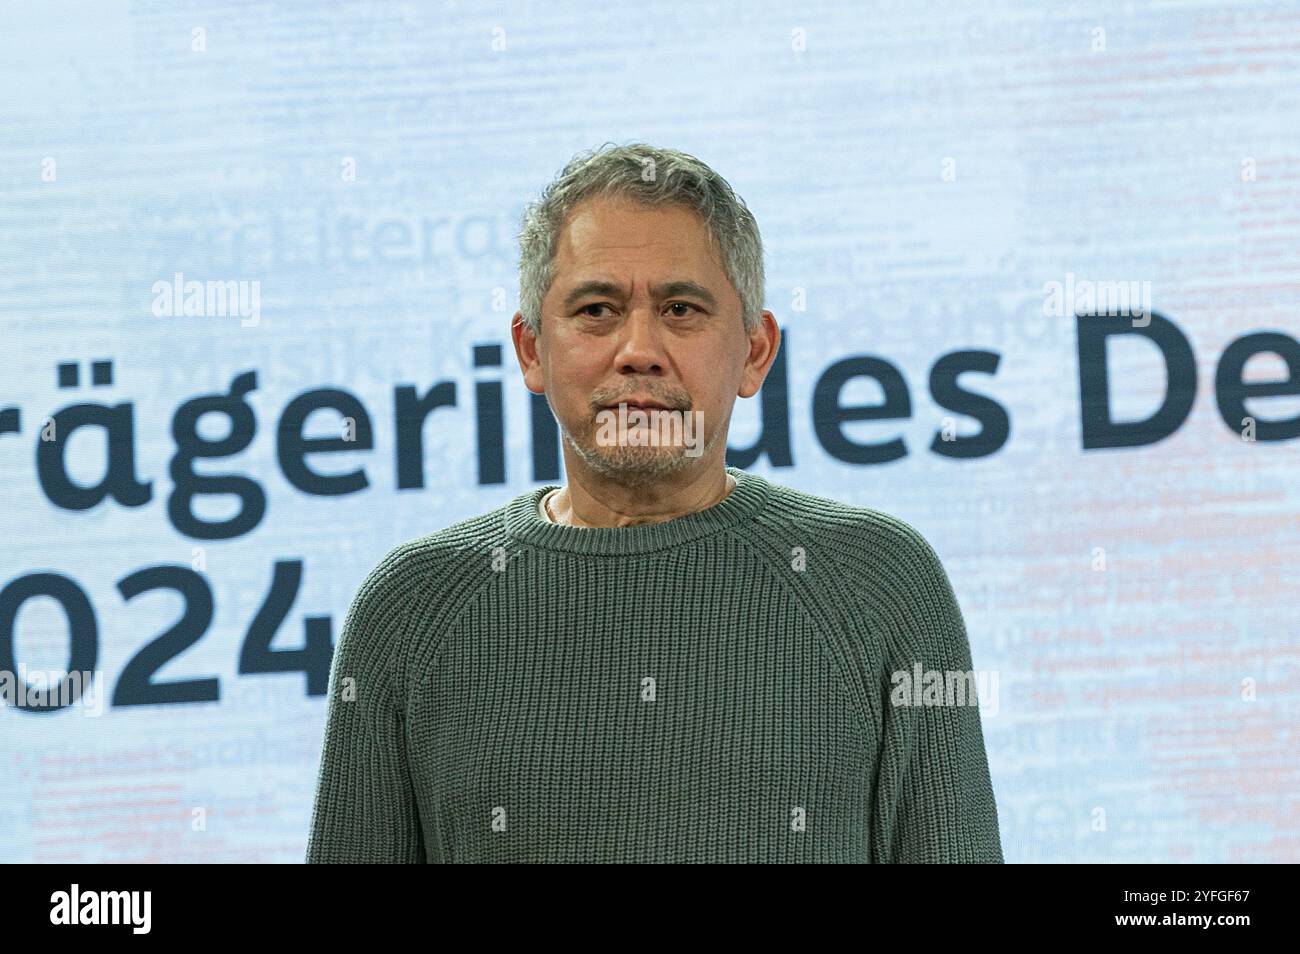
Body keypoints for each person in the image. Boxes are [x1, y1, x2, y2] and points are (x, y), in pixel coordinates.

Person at [306, 142, 1003, 863]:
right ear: (531, 351)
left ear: (756, 352)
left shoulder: (880, 585)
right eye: (597, 309)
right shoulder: (410, 612)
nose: (639, 348)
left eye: (681, 308)